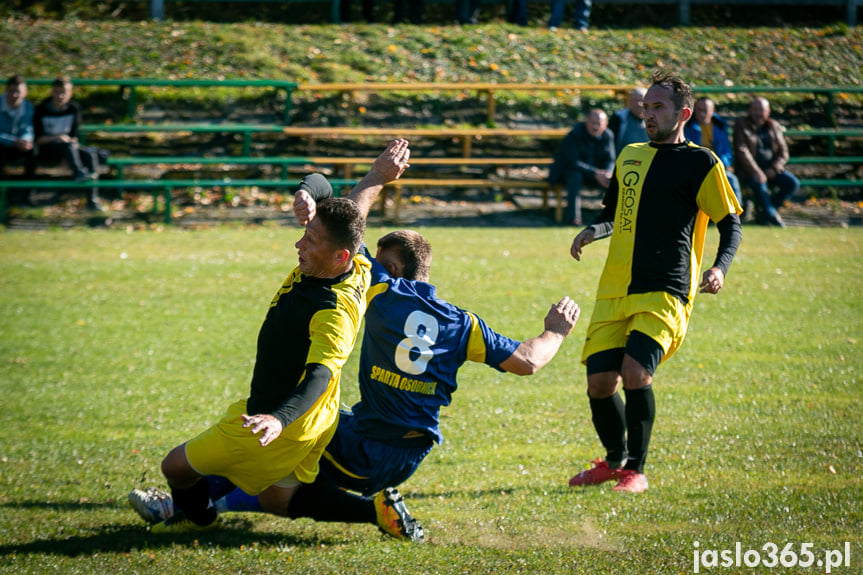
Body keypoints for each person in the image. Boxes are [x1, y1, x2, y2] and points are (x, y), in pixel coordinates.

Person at [130, 144, 581, 541]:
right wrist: (555, 330)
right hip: (410, 447)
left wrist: (376, 178)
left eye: (376, 259)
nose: (368, 261)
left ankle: (185, 508)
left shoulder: (378, 285)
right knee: (274, 473)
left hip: (365, 442)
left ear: (392, 270)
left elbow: (352, 226)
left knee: (272, 479)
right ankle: (197, 504)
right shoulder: (463, 324)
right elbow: (526, 361)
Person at [147, 141, 411, 537]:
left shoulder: (332, 311)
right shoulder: (354, 264)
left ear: (339, 255)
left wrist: (276, 418)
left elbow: (320, 373)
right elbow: (350, 209)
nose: (299, 244)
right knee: (276, 500)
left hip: (276, 420)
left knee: (175, 468)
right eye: (306, 233)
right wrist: (319, 188)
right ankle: (377, 513)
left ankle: (197, 519)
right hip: (317, 419)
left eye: (311, 240)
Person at [567, 70, 742, 493]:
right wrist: (593, 231)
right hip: (615, 287)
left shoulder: (702, 162)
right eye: (645, 106)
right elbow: (614, 214)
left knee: (634, 371)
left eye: (658, 106)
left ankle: (636, 469)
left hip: (666, 287)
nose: (648, 113)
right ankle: (612, 462)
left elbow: (730, 224)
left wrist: (720, 267)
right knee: (599, 381)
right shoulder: (629, 155)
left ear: (683, 113)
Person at [33, 76, 103, 210]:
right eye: (57, 92)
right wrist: (57, 138)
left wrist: (69, 153)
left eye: (63, 92)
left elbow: (74, 137)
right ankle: (78, 172)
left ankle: (92, 199)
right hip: (46, 149)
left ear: (70, 94)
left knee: (90, 154)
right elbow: (38, 139)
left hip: (68, 148)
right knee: (68, 146)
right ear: (52, 92)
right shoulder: (41, 109)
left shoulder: (73, 109)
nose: (60, 96)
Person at [733, 96, 800, 227]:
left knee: (792, 183)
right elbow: (742, 151)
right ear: (750, 110)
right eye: (755, 109)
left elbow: (783, 151)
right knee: (759, 184)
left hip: (771, 169)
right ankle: (773, 216)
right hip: (749, 171)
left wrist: (774, 168)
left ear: (768, 112)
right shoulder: (741, 125)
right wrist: (757, 171)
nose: (758, 113)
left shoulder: (773, 126)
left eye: (761, 110)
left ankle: (765, 213)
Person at [548, 108, 615, 226]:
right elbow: (572, 162)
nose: (595, 127)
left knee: (614, 180)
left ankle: (611, 218)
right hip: (568, 173)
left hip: (595, 174)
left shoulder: (608, 135)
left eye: (598, 124)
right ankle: (573, 219)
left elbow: (610, 159)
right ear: (586, 122)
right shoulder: (574, 134)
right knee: (575, 176)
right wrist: (595, 173)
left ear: (605, 125)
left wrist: (607, 173)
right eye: (592, 123)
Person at [684, 96, 742, 206]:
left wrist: (722, 164)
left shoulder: (720, 128)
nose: (703, 114)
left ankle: (735, 213)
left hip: (717, 166)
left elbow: (727, 152)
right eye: (700, 110)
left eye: (706, 110)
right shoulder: (688, 127)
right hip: (696, 167)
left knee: (732, 180)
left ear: (713, 111)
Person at [0, 75, 36, 205]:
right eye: (11, 91)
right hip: (3, 145)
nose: (15, 95)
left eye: (18, 92)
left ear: (24, 93)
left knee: (33, 152)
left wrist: (26, 140)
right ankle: (3, 196)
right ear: (6, 91)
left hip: (18, 145)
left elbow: (27, 127)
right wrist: (13, 141)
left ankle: (27, 194)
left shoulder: (28, 107)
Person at [608, 87, 648, 155]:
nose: (639, 104)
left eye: (642, 101)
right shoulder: (619, 118)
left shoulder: (655, 119)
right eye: (636, 100)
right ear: (630, 101)